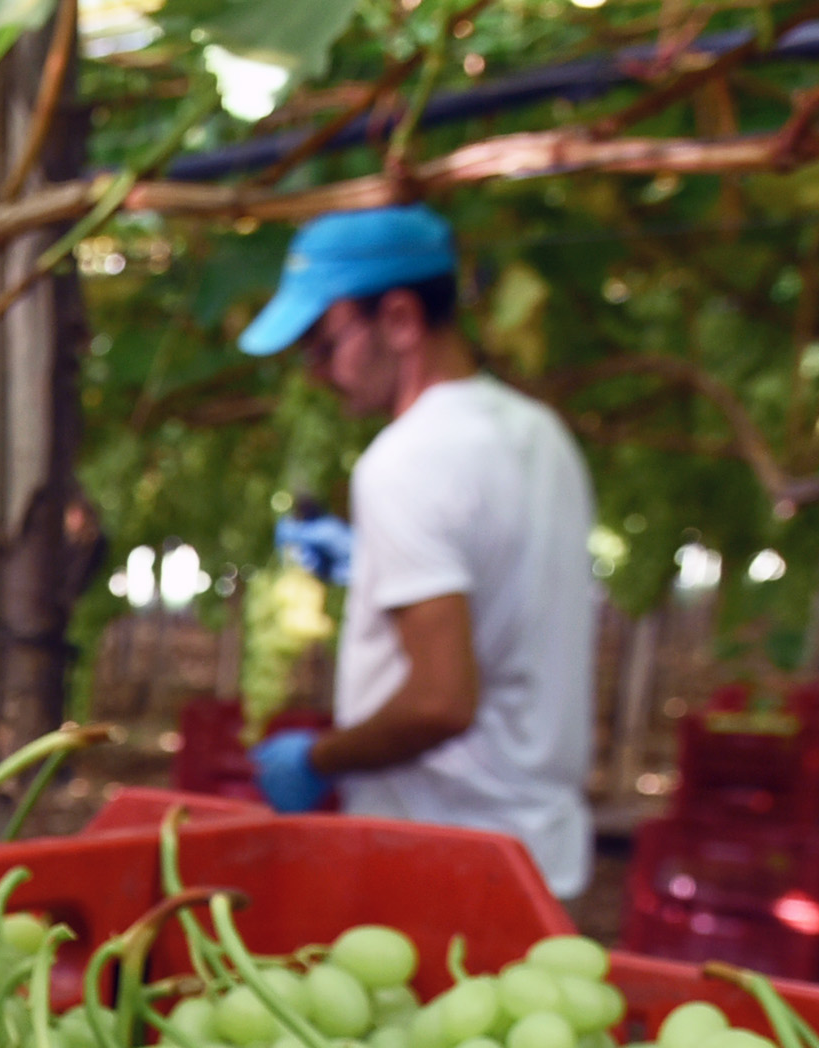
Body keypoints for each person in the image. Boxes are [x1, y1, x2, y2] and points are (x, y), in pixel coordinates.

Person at [240, 207, 598, 899]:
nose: (316, 375)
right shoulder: (540, 435)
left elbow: (440, 701)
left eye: (322, 346)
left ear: (399, 319)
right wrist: (371, 570)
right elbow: (502, 593)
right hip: (539, 855)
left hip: (441, 863)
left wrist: (316, 758)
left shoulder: (406, 460)